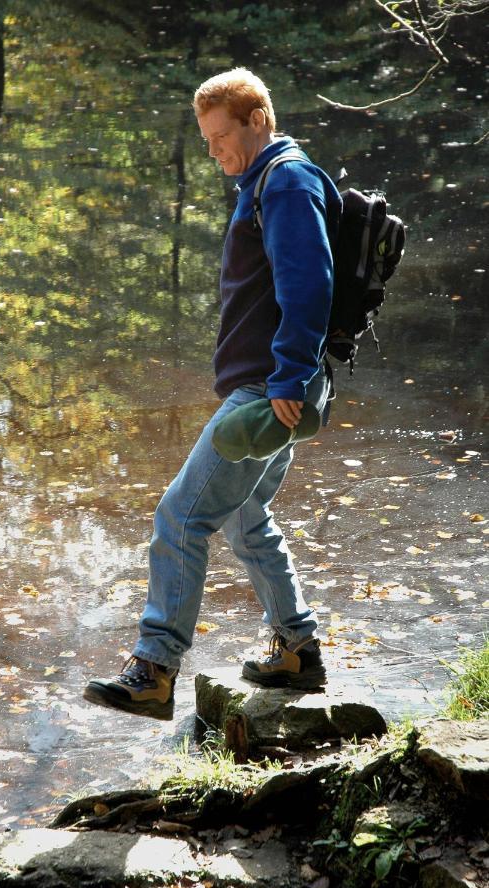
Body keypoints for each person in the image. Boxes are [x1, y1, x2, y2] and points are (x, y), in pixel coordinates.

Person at [83, 68, 342, 721]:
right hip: (273, 385)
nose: (213, 150)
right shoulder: (267, 180)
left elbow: (308, 284)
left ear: (257, 120)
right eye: (205, 139)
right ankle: (298, 651)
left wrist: (288, 375)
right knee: (244, 515)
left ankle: (154, 670)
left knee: (180, 517)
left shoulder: (284, 181)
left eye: (221, 135)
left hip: (267, 389)